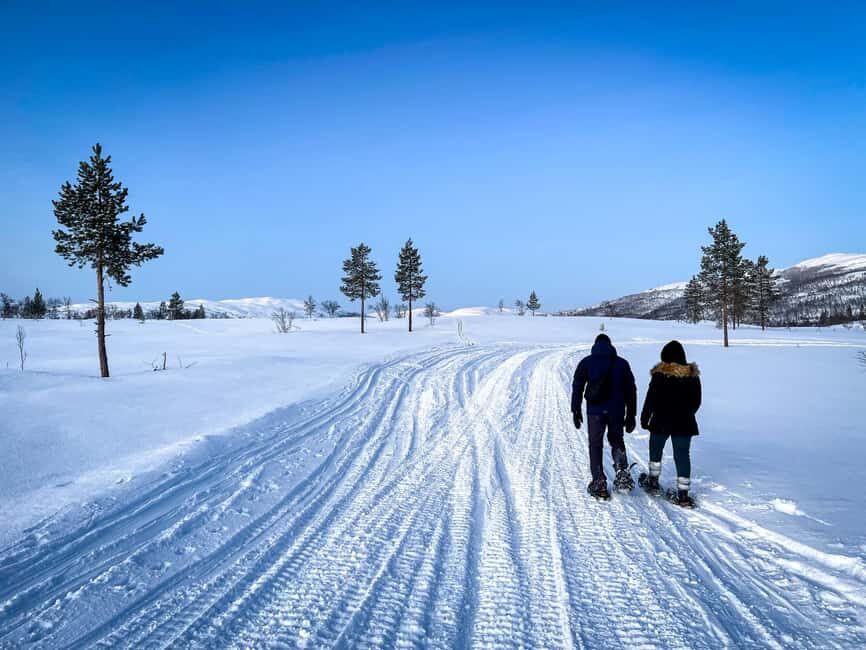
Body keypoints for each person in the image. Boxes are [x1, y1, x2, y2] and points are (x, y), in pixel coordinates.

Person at [571, 333, 637, 499]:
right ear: (610, 345)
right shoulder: (622, 363)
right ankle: (622, 471)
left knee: (595, 445)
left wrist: (576, 409)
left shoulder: (586, 362)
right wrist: (631, 414)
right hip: (616, 410)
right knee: (617, 440)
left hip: (595, 411)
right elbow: (631, 390)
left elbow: (577, 386)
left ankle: (599, 482)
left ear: (595, 346)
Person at [638, 340, 701, 507]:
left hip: (661, 421)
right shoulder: (692, 376)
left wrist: (645, 418)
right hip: (685, 422)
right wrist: (686, 413)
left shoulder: (659, 375)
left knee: (655, 449)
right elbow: (696, 401)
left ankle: (653, 481)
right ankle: (683, 494)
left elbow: (651, 399)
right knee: (682, 455)